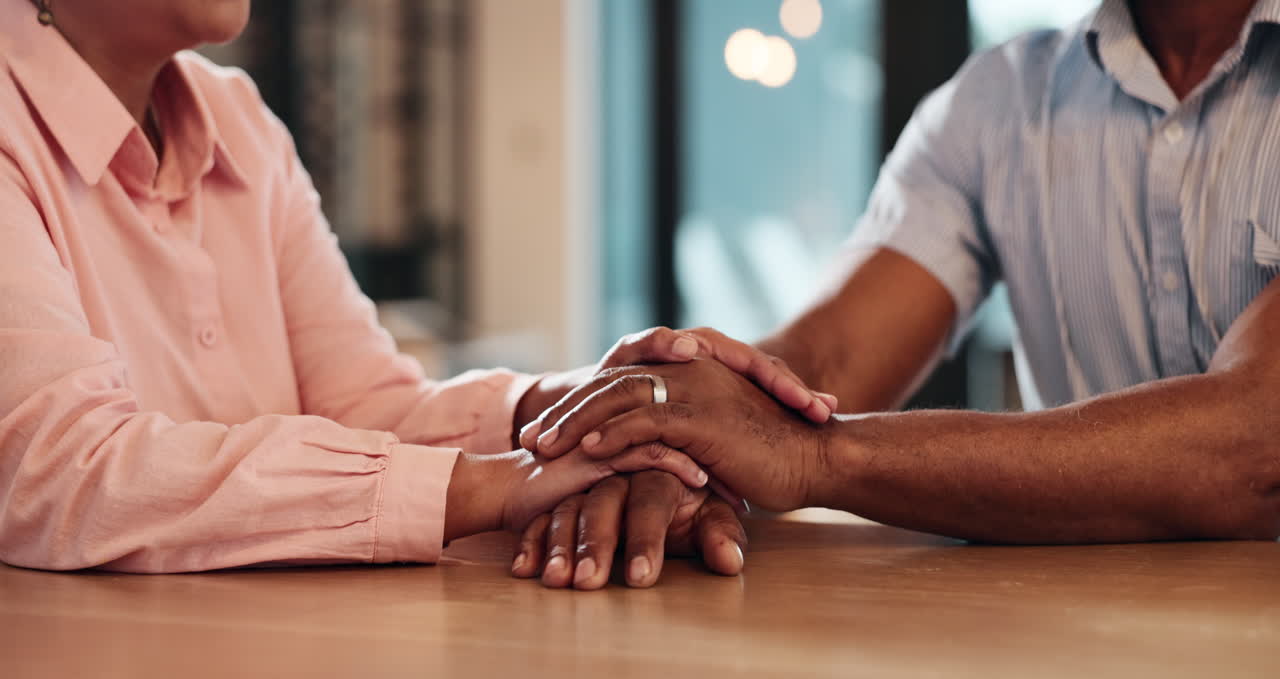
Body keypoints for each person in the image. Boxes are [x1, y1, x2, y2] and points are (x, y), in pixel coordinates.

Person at [0, 0, 838, 579]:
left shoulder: (243, 122)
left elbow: (361, 402)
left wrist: (585, 410)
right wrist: (503, 485)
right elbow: (62, 473)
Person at [523, 0, 1280, 549]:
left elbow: (1253, 444)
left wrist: (811, 457)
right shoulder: (999, 101)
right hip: (1076, 643)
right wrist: (677, 442)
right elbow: (829, 361)